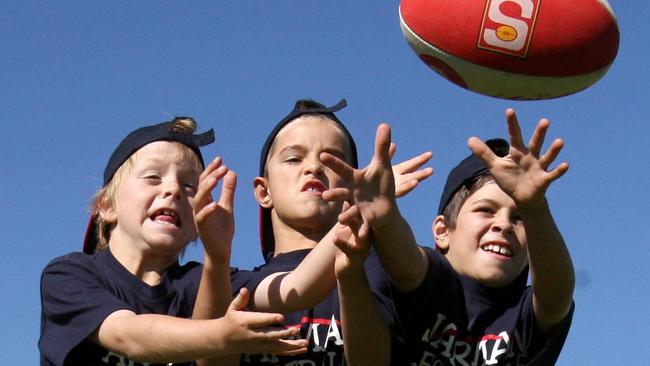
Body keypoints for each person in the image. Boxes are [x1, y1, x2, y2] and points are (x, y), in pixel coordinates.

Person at [39, 117, 308, 366]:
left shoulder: (198, 283)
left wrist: (345, 227)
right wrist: (221, 335)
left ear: (196, 225)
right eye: (153, 177)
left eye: (190, 186)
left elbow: (295, 287)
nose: (173, 189)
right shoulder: (69, 276)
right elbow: (127, 336)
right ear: (106, 206)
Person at [329, 108, 575, 365]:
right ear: (442, 231)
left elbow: (556, 295)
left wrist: (535, 208)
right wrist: (386, 219)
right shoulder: (435, 279)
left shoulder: (524, 312)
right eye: (485, 210)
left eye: (518, 218)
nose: (503, 225)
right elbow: (408, 265)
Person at [230, 99, 433, 365]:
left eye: (332, 159)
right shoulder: (235, 284)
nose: (313, 167)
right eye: (293, 159)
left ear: (354, 183)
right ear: (263, 191)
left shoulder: (380, 268)